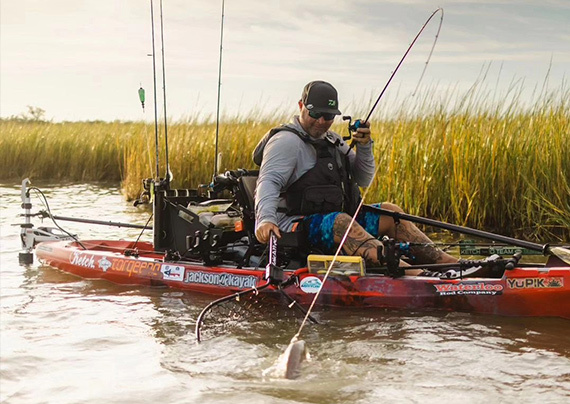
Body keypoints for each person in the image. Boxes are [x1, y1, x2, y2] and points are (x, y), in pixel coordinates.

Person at [252, 80, 457, 271]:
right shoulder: (285, 142)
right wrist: (265, 220)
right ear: (301, 106)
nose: (322, 121)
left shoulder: (332, 140)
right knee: (341, 221)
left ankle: (450, 265)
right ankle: (414, 275)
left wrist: (365, 146)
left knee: (390, 212)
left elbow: (363, 179)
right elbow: (268, 182)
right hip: (292, 226)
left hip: (335, 221)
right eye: (316, 114)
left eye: (329, 116)